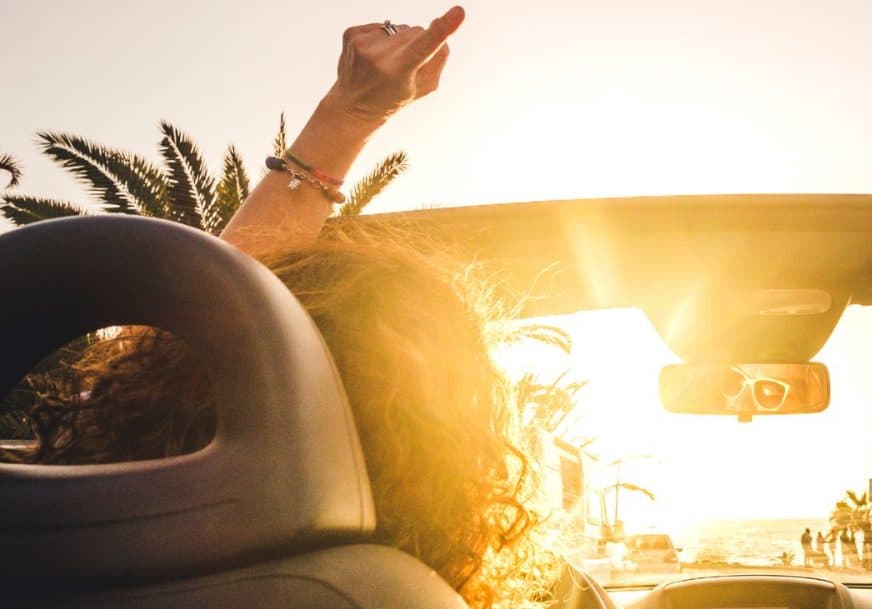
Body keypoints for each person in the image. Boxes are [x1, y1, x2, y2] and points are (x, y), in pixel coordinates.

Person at [14, 7, 592, 609]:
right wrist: (351, 114)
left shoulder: (48, 554)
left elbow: (217, 308)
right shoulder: (388, 594)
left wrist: (349, 113)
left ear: (154, 388)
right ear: (445, 453)